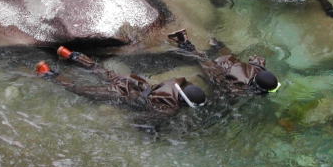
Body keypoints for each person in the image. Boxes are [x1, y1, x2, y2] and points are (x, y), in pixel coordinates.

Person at [35, 46, 206, 116]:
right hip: (123, 94)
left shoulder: (176, 82)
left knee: (101, 71)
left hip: (135, 82)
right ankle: (48, 74)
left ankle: (69, 54)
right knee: (81, 89)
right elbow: (143, 120)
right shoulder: (169, 109)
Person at [167, 29, 281, 95]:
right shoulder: (243, 88)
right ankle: (184, 41)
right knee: (201, 60)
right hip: (221, 67)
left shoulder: (258, 68)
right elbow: (226, 88)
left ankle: (217, 44)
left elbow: (257, 59)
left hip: (231, 61)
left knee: (230, 56)